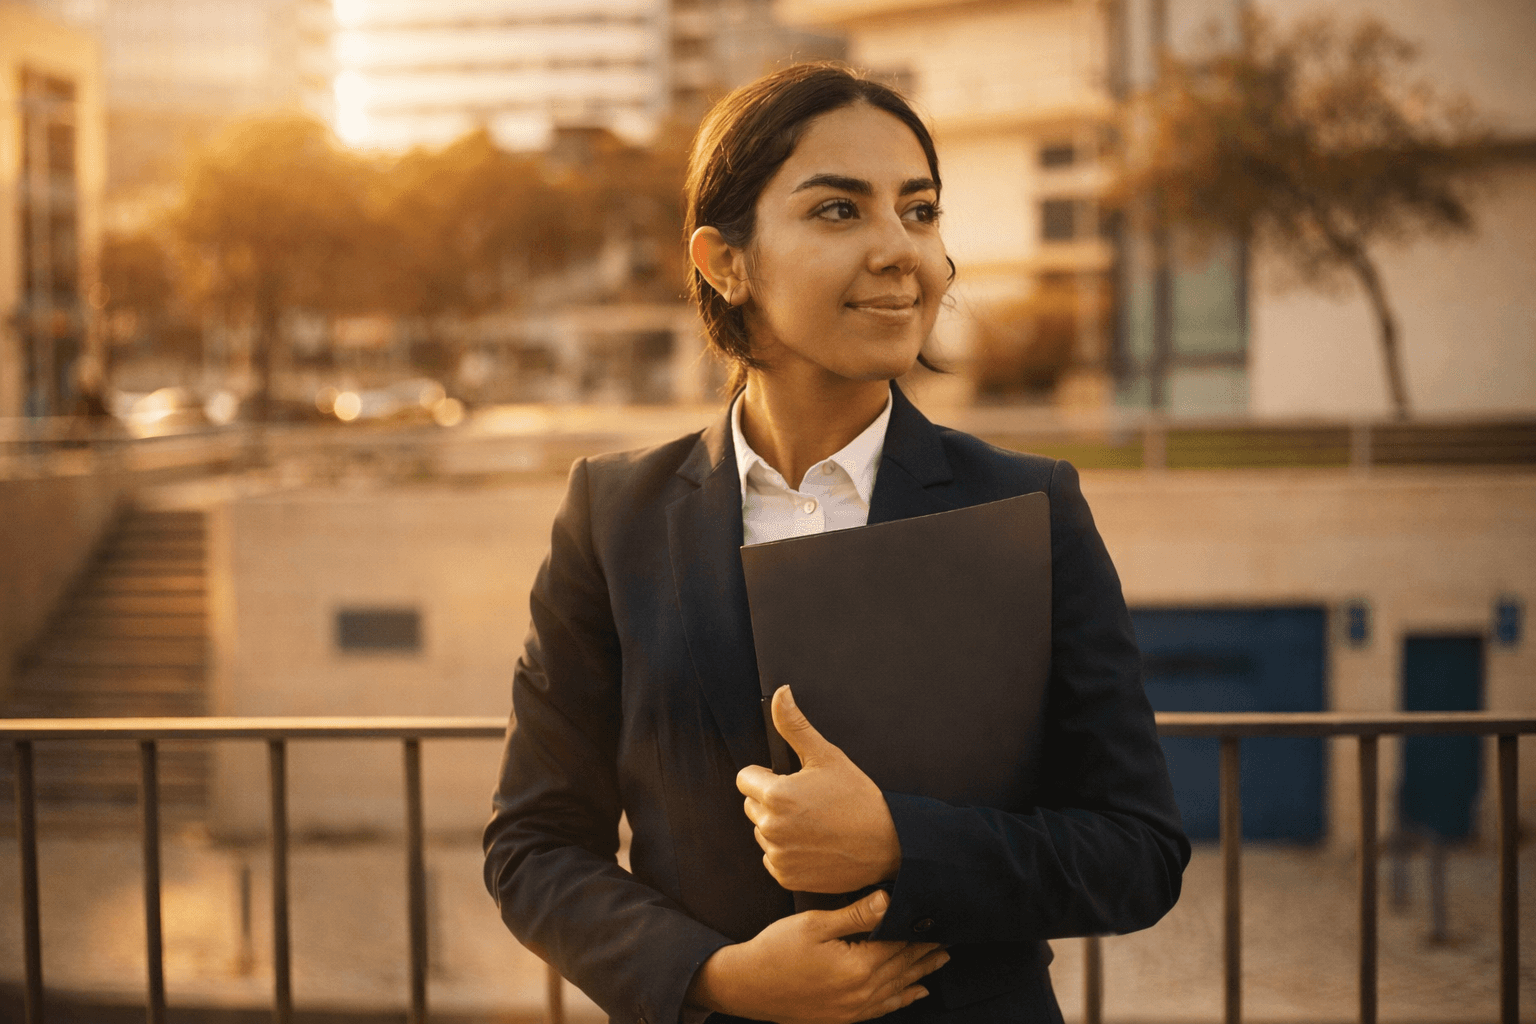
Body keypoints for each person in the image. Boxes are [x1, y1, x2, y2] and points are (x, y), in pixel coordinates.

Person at [483, 62, 1189, 1024]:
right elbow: (534, 846)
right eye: (838, 212)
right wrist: (716, 976)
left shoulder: (1030, 505)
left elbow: (1136, 851)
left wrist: (903, 841)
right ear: (725, 260)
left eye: (921, 211)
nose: (903, 251)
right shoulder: (613, 517)